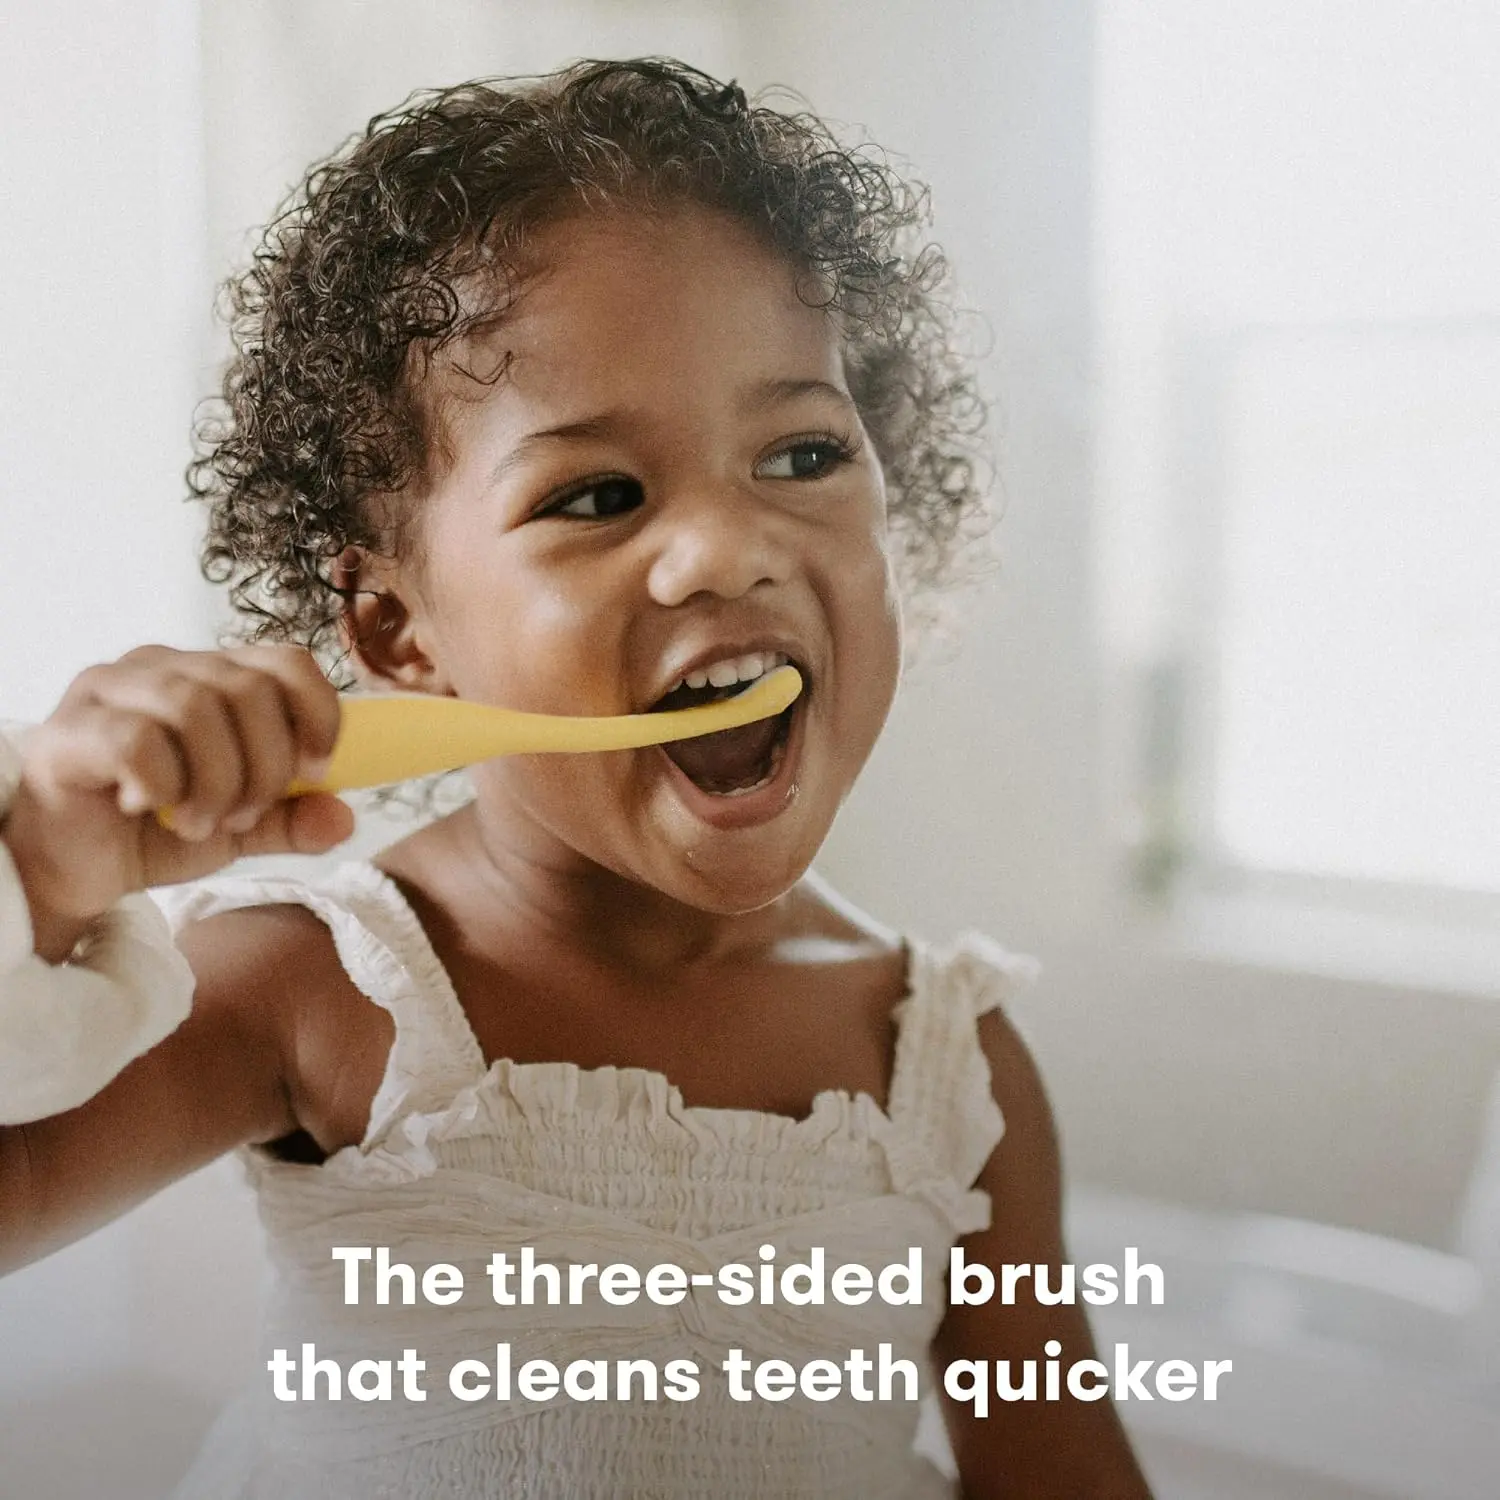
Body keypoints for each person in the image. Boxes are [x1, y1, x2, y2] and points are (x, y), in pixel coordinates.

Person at [0, 59, 1151, 1498]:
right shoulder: (323, 986)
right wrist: (38, 878)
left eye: (801, 452)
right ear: (396, 631)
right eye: (597, 495)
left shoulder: (949, 1069)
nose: (727, 550)